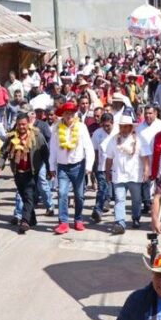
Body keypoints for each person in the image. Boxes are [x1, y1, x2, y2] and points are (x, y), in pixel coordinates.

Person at [48, 100, 96, 234]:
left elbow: (89, 147)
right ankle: (63, 222)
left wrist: (89, 166)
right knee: (62, 193)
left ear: (75, 114)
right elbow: (52, 149)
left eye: (71, 113)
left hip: (78, 166)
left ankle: (78, 219)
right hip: (62, 167)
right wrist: (51, 167)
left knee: (79, 195)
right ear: (62, 115)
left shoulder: (81, 127)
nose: (69, 116)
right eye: (66, 113)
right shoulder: (56, 128)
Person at [1, 113, 48, 234]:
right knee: (24, 196)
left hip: (32, 172)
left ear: (28, 124)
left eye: (24, 124)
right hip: (18, 172)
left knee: (28, 195)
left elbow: (45, 152)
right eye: (19, 124)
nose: (21, 127)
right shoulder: (12, 137)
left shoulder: (37, 135)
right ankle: (32, 219)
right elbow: (3, 152)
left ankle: (25, 221)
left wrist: (49, 169)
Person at [104, 114, 145, 235]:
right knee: (119, 199)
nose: (124, 129)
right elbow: (109, 158)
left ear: (131, 127)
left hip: (134, 174)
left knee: (136, 199)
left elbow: (145, 156)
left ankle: (136, 218)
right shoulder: (113, 139)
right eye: (122, 127)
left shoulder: (138, 139)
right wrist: (107, 171)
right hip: (119, 175)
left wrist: (147, 170)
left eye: (127, 127)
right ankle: (120, 223)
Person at [90, 113, 114, 223]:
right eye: (104, 126)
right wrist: (94, 167)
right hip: (101, 166)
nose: (106, 128)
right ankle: (97, 211)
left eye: (108, 126)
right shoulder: (97, 133)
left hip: (116, 167)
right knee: (101, 189)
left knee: (113, 192)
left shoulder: (118, 132)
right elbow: (94, 151)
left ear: (113, 123)